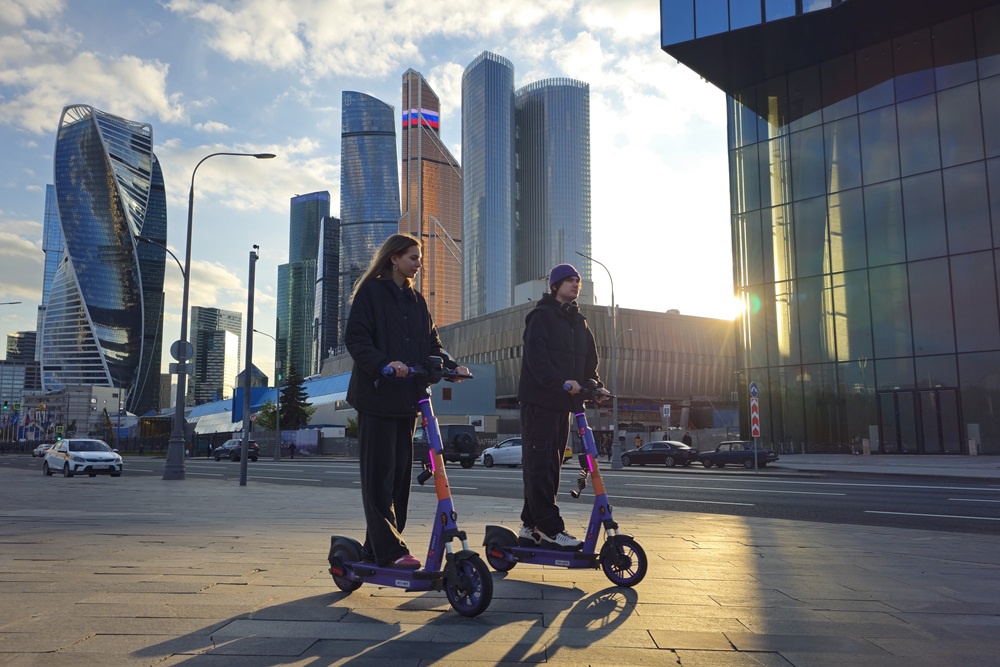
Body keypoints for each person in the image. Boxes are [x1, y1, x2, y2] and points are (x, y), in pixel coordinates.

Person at [345, 233, 469, 570]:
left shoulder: (416, 301)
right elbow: (356, 339)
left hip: (407, 401)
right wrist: (385, 363)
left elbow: (432, 344)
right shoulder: (371, 293)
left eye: (420, 257)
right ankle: (389, 550)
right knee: (379, 479)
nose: (419, 263)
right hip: (377, 397)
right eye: (413, 257)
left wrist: (450, 366)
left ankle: (377, 549)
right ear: (394, 258)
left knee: (400, 481)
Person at [517, 263, 603, 551]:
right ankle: (550, 528)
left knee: (550, 466)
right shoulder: (541, 316)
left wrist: (594, 384)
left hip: (563, 404)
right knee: (540, 465)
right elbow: (537, 359)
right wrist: (560, 382)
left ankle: (530, 526)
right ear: (554, 286)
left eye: (577, 281)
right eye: (569, 280)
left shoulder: (580, 322)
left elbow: (590, 360)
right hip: (539, 402)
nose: (575, 284)